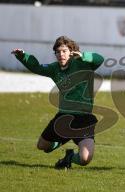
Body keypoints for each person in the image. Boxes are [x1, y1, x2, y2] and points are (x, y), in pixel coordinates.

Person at [12, 36, 104, 169]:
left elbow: (99, 59)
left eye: (64, 51)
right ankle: (63, 138)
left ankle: (69, 157)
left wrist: (84, 55)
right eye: (58, 52)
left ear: (71, 52)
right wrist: (23, 56)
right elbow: (37, 67)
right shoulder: (54, 68)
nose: (61, 55)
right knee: (42, 146)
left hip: (84, 119)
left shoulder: (83, 64)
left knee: (85, 159)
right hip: (63, 117)